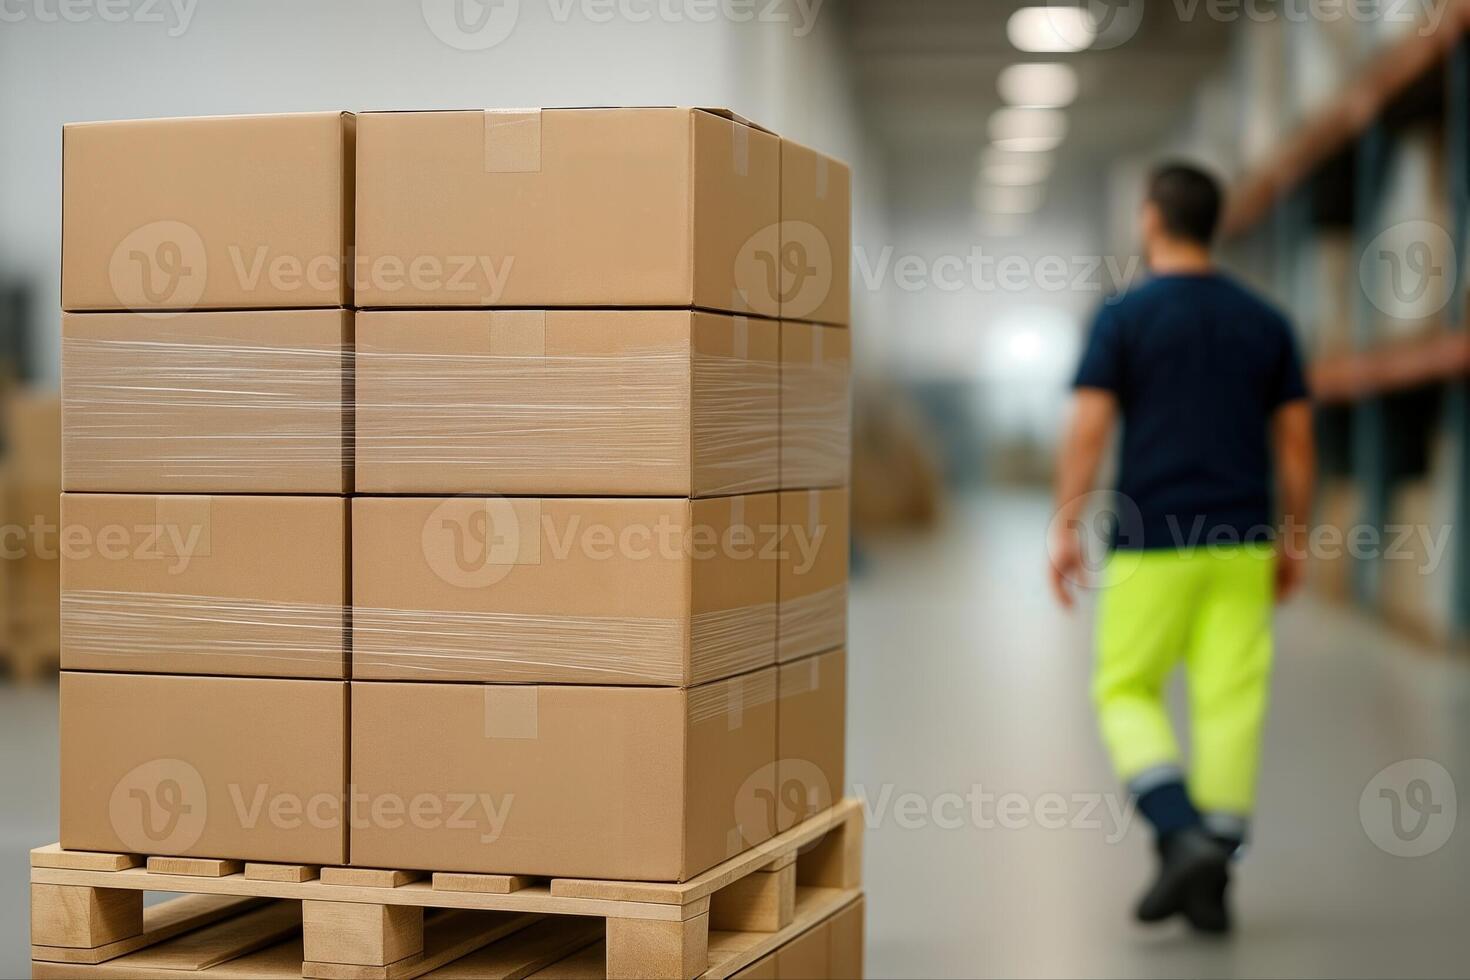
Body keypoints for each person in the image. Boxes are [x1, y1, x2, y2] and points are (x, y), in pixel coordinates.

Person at [1048, 162, 1316, 932]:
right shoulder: (1267, 322)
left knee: (1124, 688)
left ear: (1152, 221)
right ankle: (1212, 877)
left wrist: (1066, 523)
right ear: (1216, 223)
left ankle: (1176, 831)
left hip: (1152, 535)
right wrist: (1292, 536)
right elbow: (1296, 447)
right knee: (1230, 701)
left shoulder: (1125, 316)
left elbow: (1090, 426)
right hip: (1243, 540)